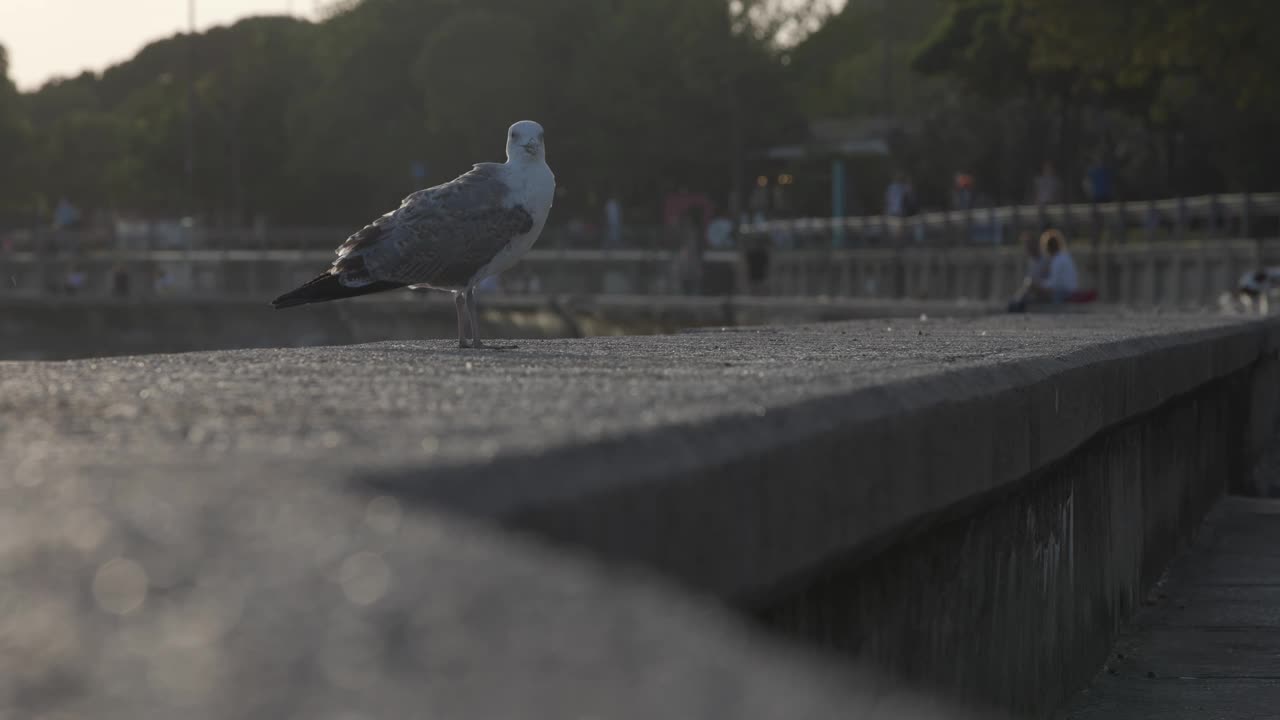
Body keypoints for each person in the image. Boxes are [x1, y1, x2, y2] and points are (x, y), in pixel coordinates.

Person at [1008, 229, 1078, 311]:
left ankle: (1016, 303)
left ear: (1049, 247)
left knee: (1032, 288)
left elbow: (1054, 284)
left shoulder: (1058, 260)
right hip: (1066, 291)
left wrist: (1039, 285)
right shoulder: (1063, 256)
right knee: (1032, 289)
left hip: (1065, 293)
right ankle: (1017, 302)